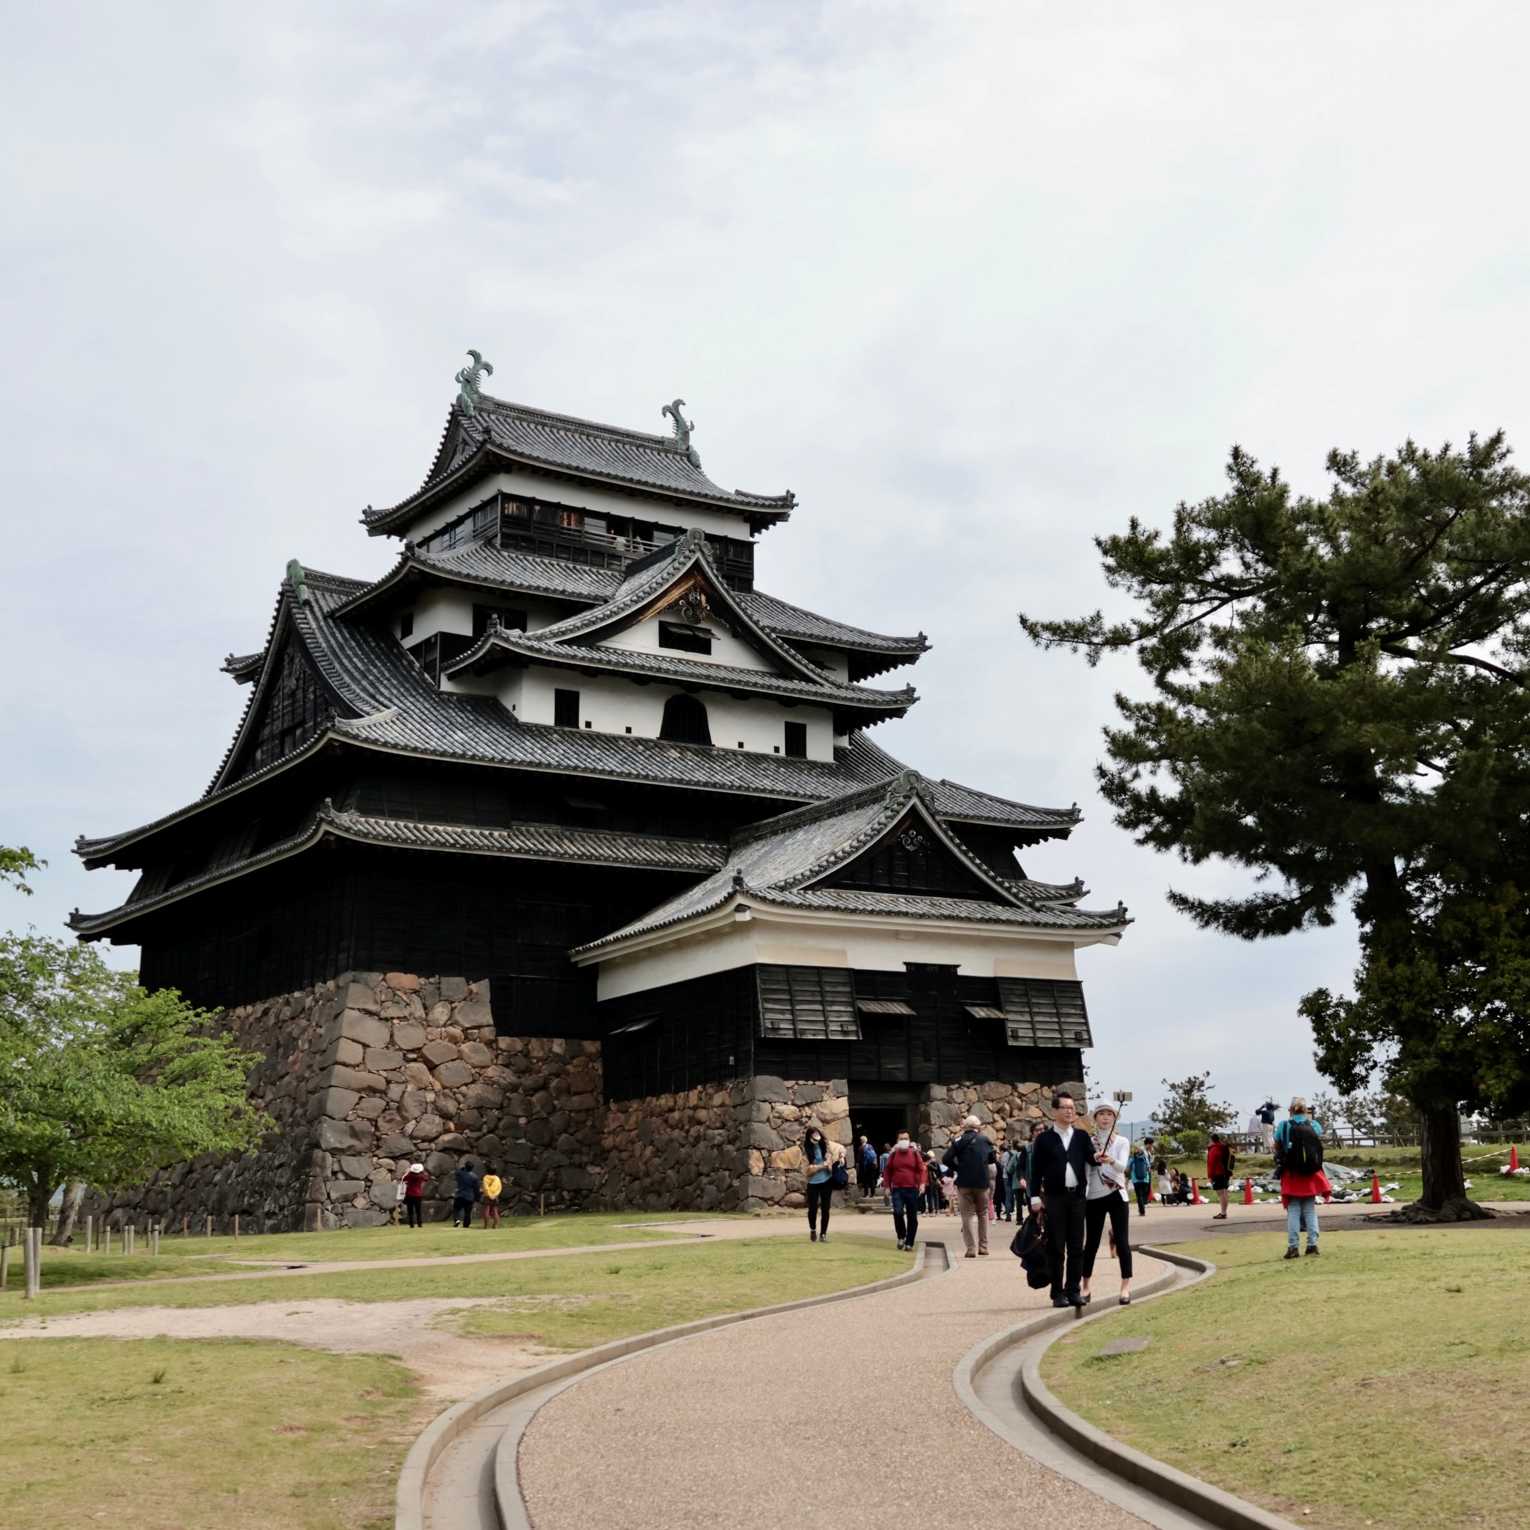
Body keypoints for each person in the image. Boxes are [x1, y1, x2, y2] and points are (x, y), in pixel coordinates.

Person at [1029, 1091, 1093, 1308]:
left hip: (1077, 1197)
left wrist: (1101, 1156)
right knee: (1056, 1246)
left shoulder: (1082, 1137)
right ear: (1054, 1111)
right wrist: (1034, 1197)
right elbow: (1035, 1171)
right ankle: (1057, 1292)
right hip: (1054, 1197)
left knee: (1077, 1246)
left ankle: (1073, 1290)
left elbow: (1092, 1159)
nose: (1069, 1111)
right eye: (1065, 1107)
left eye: (1072, 1107)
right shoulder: (1044, 1139)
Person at [1080, 1103, 1134, 1306]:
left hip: (1116, 1193)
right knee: (1091, 1243)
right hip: (1094, 1195)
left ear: (1114, 1118)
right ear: (1095, 1119)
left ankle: (1125, 1286)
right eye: (1101, 1114)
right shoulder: (1088, 1141)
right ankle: (1085, 1285)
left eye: (1109, 1114)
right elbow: (1086, 1168)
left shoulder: (1121, 1141)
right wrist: (1094, 1158)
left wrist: (1110, 1160)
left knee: (1122, 1241)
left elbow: (1122, 1167)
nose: (1105, 1118)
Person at [1274, 1096, 1325, 1258]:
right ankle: (1312, 1245)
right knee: (1310, 1209)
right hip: (1310, 1173)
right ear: (1306, 1110)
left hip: (1291, 1172)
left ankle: (1293, 1247)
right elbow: (1318, 1140)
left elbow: (1277, 1144)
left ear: (1290, 1110)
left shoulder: (1283, 1126)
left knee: (1293, 1209)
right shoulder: (1314, 1125)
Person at [942, 1115, 996, 1257]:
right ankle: (983, 1246)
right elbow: (992, 1159)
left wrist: (958, 1168)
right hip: (982, 1182)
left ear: (965, 1126)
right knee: (983, 1214)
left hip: (964, 1182)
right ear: (977, 1127)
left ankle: (971, 1248)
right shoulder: (985, 1140)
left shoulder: (958, 1140)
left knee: (967, 1216)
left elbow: (946, 1158)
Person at [883, 1129, 927, 1251]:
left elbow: (921, 1169)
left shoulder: (914, 1153)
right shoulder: (893, 1154)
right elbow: (887, 1171)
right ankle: (901, 1236)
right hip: (897, 1189)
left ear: (909, 1140)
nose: (903, 1141)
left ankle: (910, 1242)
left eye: (905, 1139)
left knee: (912, 1217)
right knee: (897, 1212)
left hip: (912, 1189)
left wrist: (922, 1184)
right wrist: (887, 1186)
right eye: (901, 1139)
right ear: (897, 1141)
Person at [803, 1125, 844, 1242]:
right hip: (813, 1183)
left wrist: (840, 1157)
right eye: (814, 1139)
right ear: (809, 1138)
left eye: (818, 1138)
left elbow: (841, 1148)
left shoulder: (826, 1146)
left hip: (827, 1181)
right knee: (813, 1209)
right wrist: (822, 1166)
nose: (817, 1141)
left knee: (826, 1209)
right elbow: (808, 1171)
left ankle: (823, 1234)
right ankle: (813, 1229)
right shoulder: (806, 1150)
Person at [1206, 1132, 1234, 1220]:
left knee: (1221, 1193)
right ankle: (1224, 1212)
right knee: (1224, 1192)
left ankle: (1223, 1213)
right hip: (1226, 1173)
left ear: (1211, 1140)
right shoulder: (1223, 1147)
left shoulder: (1214, 1149)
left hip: (1218, 1173)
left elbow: (1211, 1163)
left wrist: (1210, 1176)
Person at [452, 1161, 481, 1227]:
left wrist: (462, 1168)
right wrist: (477, 1198)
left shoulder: (460, 1173)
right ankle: (466, 1224)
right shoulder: (474, 1177)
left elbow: (457, 1172)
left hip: (460, 1194)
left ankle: (457, 1220)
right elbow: (476, 1189)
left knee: (456, 1209)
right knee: (468, 1212)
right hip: (469, 1196)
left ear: (465, 1166)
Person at [1128, 1141, 1152, 1215]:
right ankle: (1143, 1206)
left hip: (1136, 1180)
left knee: (1139, 1196)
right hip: (1145, 1179)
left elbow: (1127, 1167)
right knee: (1143, 1194)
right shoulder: (1145, 1157)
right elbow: (1149, 1167)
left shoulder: (1132, 1158)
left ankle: (1142, 1211)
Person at [402, 1161, 428, 1227]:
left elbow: (404, 1179)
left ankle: (411, 1224)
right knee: (418, 1211)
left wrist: (408, 1172)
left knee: (410, 1211)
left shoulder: (410, 1175)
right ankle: (419, 1224)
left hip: (409, 1194)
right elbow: (426, 1178)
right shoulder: (420, 1176)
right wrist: (422, 1172)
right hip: (418, 1195)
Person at [856, 1135, 878, 1200]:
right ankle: (873, 1193)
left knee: (865, 1180)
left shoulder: (860, 1148)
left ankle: (866, 1194)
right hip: (872, 1165)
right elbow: (874, 1155)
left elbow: (859, 1159)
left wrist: (858, 1166)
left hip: (864, 1166)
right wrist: (875, 1163)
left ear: (861, 1141)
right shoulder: (870, 1146)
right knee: (872, 1179)